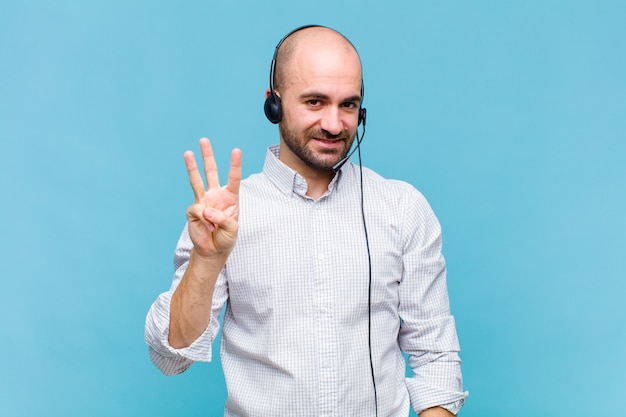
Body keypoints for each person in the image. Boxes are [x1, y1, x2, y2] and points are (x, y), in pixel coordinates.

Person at [145, 25, 468, 417]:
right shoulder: (226, 214)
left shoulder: (402, 208)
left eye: (348, 105)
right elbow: (171, 356)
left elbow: (436, 358)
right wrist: (207, 261)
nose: (334, 124)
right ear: (274, 104)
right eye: (315, 102)